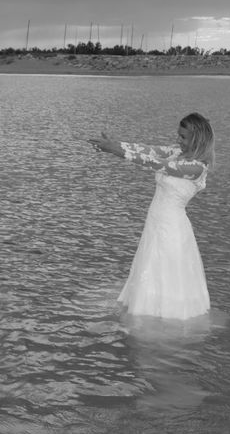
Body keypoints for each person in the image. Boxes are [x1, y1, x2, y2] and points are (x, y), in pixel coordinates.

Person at [88, 112, 215, 320]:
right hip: (155, 221)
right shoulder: (176, 152)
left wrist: (116, 151)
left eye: (183, 137)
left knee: (165, 267)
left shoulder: (195, 168)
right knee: (150, 265)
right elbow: (147, 150)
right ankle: (146, 307)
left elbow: (155, 163)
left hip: (171, 226)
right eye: (178, 136)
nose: (178, 141)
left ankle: (165, 313)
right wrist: (115, 146)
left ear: (197, 139)